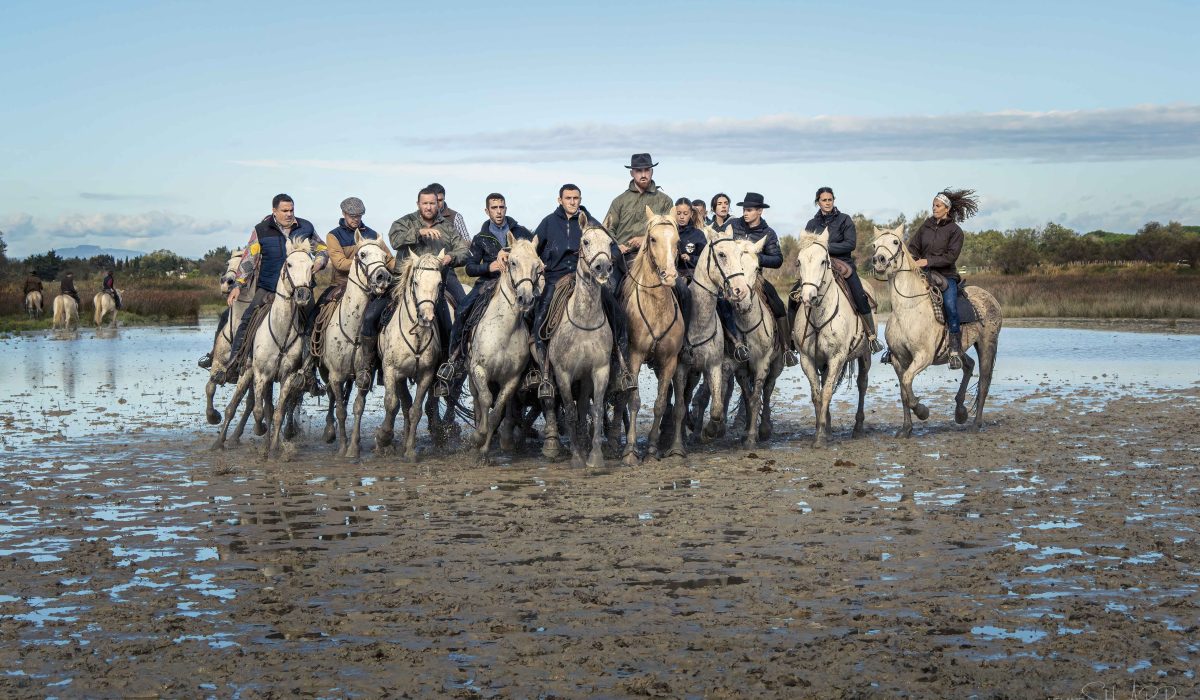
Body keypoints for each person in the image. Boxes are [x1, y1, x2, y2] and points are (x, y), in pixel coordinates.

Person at [529, 183, 633, 398]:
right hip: (556, 278)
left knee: (618, 316)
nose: (573, 202)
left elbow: (610, 246)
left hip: (588, 279)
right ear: (560, 200)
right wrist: (537, 262)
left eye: (576, 198)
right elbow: (533, 249)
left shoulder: (590, 222)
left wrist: (608, 255)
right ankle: (544, 374)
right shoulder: (549, 223)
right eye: (568, 198)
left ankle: (623, 370)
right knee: (539, 319)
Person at [212, 194, 328, 385]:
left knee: (314, 325)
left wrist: (319, 262)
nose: (289, 214)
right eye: (284, 211)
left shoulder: (306, 227)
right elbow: (250, 259)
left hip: (302, 290)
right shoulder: (261, 230)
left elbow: (322, 248)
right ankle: (234, 366)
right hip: (268, 287)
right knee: (247, 320)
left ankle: (309, 375)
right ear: (274, 211)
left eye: (291, 210)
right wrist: (239, 285)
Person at [434, 193, 534, 396]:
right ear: (487, 211)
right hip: (489, 283)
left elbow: (533, 255)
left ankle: (535, 369)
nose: (498, 211)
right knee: (463, 310)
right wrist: (491, 266)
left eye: (501, 207)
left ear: (506, 208)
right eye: (494, 208)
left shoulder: (521, 232)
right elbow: (470, 268)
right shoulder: (481, 239)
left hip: (519, 283)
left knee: (537, 314)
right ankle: (454, 361)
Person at [375, 186, 470, 390]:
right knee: (373, 314)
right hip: (405, 282)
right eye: (425, 203)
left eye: (432, 203)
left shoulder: (447, 227)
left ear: (439, 204)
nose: (429, 207)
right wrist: (418, 232)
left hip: (438, 281)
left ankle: (446, 370)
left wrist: (451, 257)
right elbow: (395, 240)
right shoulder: (405, 222)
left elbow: (463, 250)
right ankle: (373, 365)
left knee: (453, 319)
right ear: (418, 204)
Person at [301, 196, 394, 392]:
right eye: (352, 216)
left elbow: (389, 259)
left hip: (371, 288)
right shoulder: (333, 236)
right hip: (341, 284)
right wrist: (368, 264)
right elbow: (339, 263)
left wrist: (397, 267)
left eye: (359, 216)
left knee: (386, 319)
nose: (356, 219)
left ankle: (381, 367)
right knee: (313, 318)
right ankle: (307, 369)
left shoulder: (373, 235)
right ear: (344, 214)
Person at [905, 188, 978, 369]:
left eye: (938, 206)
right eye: (933, 205)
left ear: (947, 209)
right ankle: (896, 347)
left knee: (951, 306)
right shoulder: (926, 226)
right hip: (923, 273)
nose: (934, 208)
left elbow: (950, 257)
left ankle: (954, 349)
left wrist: (927, 260)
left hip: (946, 275)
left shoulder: (956, 231)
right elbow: (912, 247)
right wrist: (913, 259)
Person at [802, 187, 882, 352]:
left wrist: (825, 247)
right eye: (824, 200)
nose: (827, 203)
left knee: (859, 295)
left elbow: (850, 244)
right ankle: (793, 339)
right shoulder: (811, 224)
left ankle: (872, 336)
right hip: (817, 266)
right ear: (818, 202)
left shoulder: (845, 220)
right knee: (797, 294)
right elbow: (806, 246)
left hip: (843, 263)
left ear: (833, 200)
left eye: (830, 199)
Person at [723, 192, 796, 366]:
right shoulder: (733, 225)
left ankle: (787, 348)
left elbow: (778, 260)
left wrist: (757, 259)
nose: (745, 213)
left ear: (759, 212)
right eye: (744, 209)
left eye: (749, 210)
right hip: (730, 278)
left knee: (778, 305)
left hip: (755, 278)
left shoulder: (768, 233)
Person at [603, 153, 673, 267]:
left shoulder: (665, 201)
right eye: (639, 171)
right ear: (632, 173)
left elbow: (669, 231)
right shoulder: (619, 201)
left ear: (652, 172)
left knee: (676, 282)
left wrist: (645, 239)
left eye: (647, 170)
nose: (643, 174)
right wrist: (617, 246)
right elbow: (607, 228)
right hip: (622, 257)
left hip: (655, 257)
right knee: (607, 283)